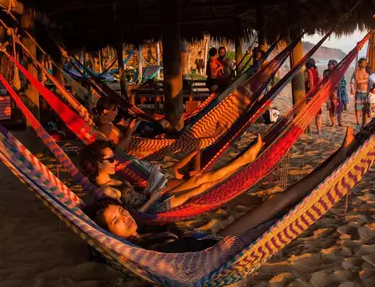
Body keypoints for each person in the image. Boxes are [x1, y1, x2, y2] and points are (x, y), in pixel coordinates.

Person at [87, 127, 358, 252]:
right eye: (116, 221)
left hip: (212, 242)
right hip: (215, 252)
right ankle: (339, 159)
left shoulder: (141, 234)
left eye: (121, 213)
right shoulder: (133, 252)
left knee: (277, 202)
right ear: (109, 234)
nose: (125, 217)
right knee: (277, 203)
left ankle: (338, 158)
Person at [80, 135, 263, 213]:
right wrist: (152, 198)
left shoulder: (113, 180)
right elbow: (133, 216)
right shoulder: (106, 192)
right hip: (154, 208)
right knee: (204, 186)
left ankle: (244, 160)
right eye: (111, 160)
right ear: (97, 163)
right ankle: (245, 162)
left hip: (153, 196)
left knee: (199, 179)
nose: (115, 162)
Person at [323, 60, 345, 127]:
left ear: (335, 65)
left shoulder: (339, 72)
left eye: (331, 64)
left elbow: (343, 83)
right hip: (329, 92)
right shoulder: (326, 72)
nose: (329, 65)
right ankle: (333, 123)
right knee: (331, 108)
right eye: (329, 64)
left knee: (338, 108)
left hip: (337, 92)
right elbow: (324, 82)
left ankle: (339, 122)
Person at [304, 58, 322, 134]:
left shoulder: (306, 72)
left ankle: (309, 130)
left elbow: (304, 82)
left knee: (308, 114)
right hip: (316, 95)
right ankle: (319, 131)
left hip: (309, 95)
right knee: (318, 114)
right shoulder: (317, 72)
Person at [352, 58, 369, 126]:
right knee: (358, 108)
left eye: (365, 63)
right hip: (359, 92)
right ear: (359, 64)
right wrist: (366, 80)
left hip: (366, 92)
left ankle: (365, 122)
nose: (364, 64)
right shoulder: (357, 71)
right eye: (363, 63)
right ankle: (358, 122)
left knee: (365, 109)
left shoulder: (368, 71)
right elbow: (357, 81)